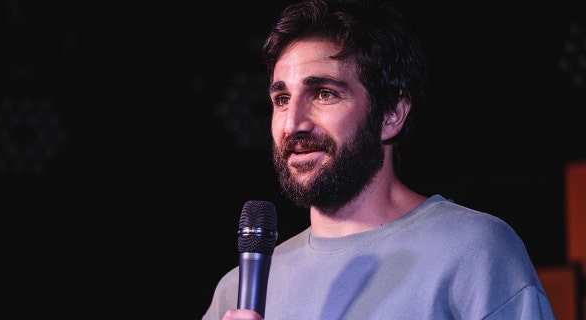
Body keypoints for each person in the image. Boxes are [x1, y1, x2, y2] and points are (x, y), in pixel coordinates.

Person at [203, 0, 556, 319]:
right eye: (281, 99)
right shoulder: (236, 294)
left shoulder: (475, 250)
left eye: (324, 94)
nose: (293, 123)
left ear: (391, 114)